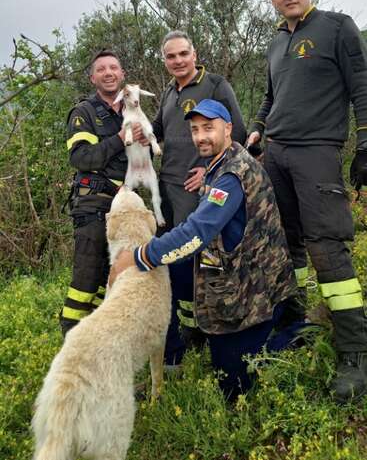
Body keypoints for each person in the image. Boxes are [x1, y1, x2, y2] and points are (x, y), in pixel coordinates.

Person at [109, 99, 298, 400]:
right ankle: (172, 360)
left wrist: (137, 256)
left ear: (228, 128)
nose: (200, 136)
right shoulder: (223, 160)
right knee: (164, 269)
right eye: (195, 130)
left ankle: (296, 333)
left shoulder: (231, 175)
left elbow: (197, 232)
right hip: (232, 265)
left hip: (253, 288)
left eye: (208, 128)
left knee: (231, 384)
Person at [247, 0, 367, 403]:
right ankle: (298, 322)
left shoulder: (337, 27)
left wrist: (365, 143)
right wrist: (258, 128)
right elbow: (270, 96)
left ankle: (355, 352)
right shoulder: (277, 42)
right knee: (287, 243)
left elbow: (362, 86)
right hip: (275, 154)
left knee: (327, 247)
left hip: (317, 151)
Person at [152, 30, 247, 363]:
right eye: (170, 56)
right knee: (178, 261)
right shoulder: (167, 92)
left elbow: (238, 134)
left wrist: (208, 171)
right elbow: (159, 133)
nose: (178, 61)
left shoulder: (216, 86)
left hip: (198, 189)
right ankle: (189, 327)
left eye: (183, 54)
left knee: (195, 253)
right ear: (164, 60)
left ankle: (211, 326)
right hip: (167, 187)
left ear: (194, 54)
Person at [60, 49, 144, 336]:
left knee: (115, 277)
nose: (108, 73)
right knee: (87, 278)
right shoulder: (83, 113)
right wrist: (120, 139)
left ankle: (99, 337)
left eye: (114, 68)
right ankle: (71, 336)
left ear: (122, 75)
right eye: (102, 69)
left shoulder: (132, 112)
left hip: (125, 208)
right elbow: (83, 159)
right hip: (93, 206)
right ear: (92, 77)